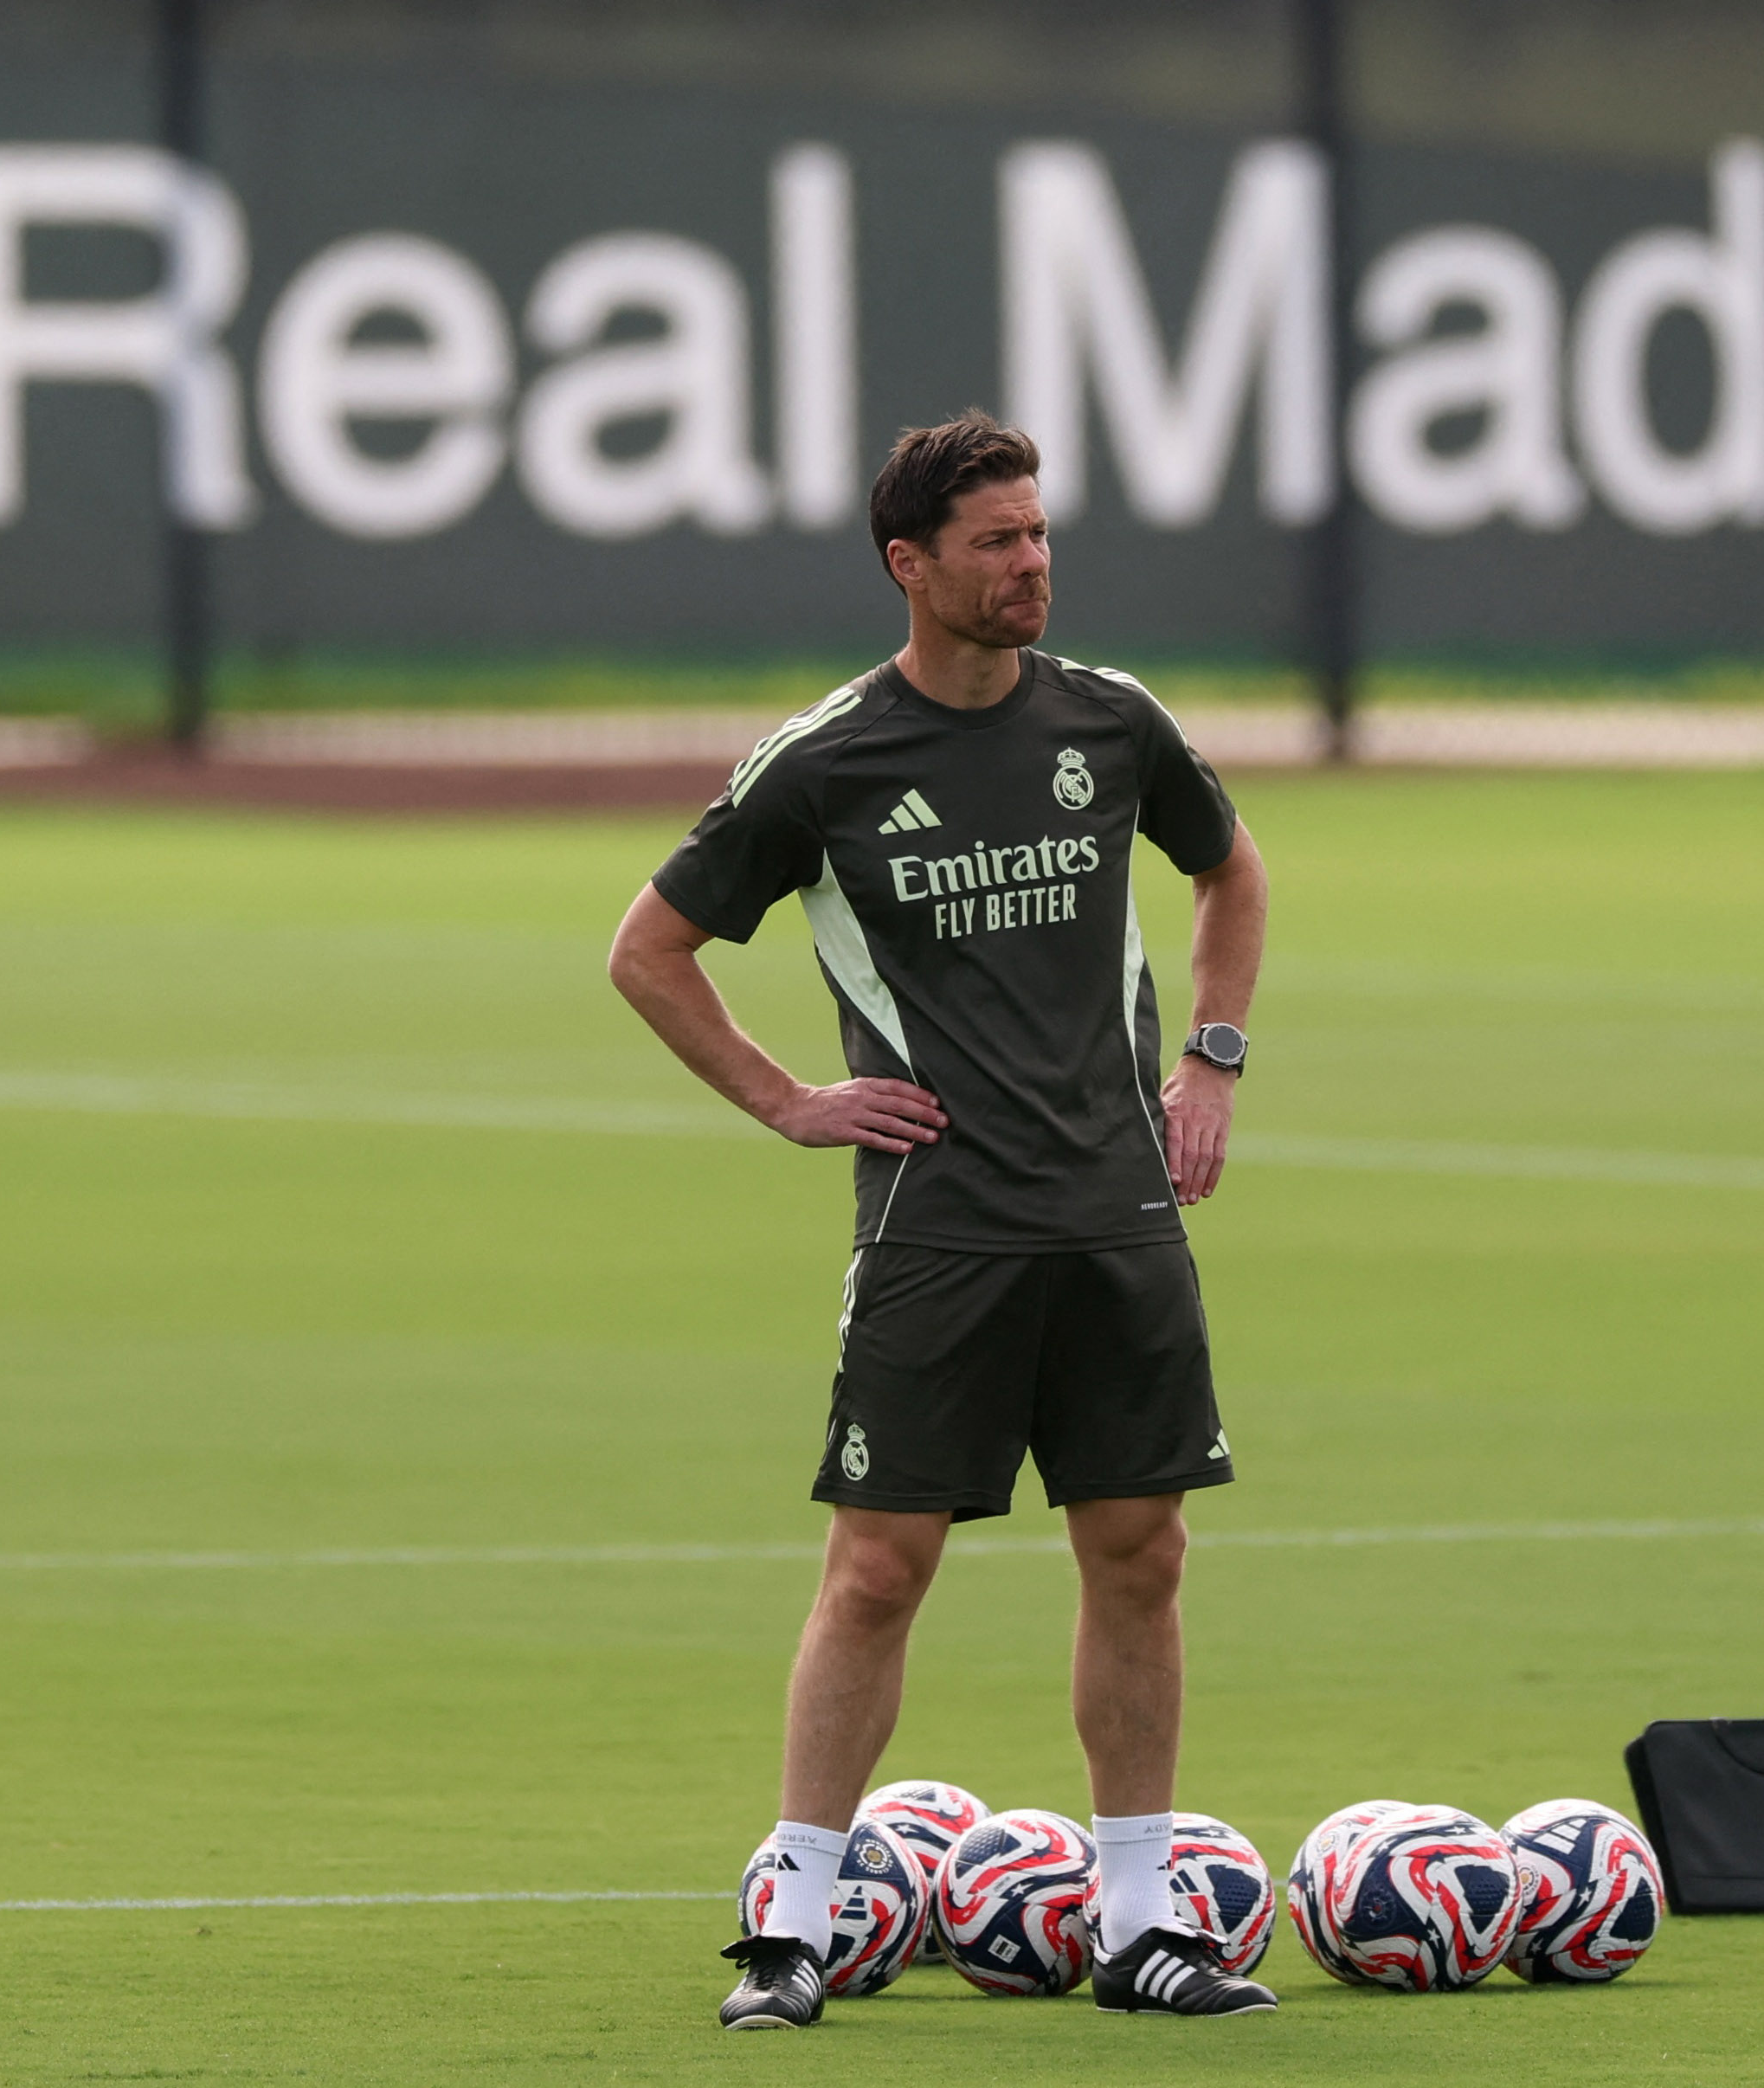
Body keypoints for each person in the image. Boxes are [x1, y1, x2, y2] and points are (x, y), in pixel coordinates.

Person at [608, 411, 1271, 2028]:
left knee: (1141, 1551)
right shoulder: (828, 760)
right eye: (996, 541)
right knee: (880, 1571)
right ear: (912, 565)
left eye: (1040, 533)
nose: (1030, 562)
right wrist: (789, 1101)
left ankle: (1140, 1923)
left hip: (1117, 1211)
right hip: (940, 1226)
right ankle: (790, 1921)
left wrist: (1211, 1063)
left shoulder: (1113, 723)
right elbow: (649, 949)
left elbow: (1231, 872)